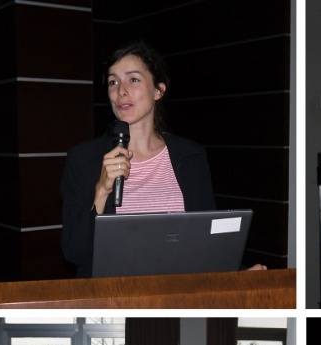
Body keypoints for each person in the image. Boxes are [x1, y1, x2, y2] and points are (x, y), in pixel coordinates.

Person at [61, 42, 267, 277]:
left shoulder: (190, 156)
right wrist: (101, 191)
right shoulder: (84, 159)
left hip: (178, 295)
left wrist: (238, 274)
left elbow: (204, 243)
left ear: (158, 90)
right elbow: (74, 252)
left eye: (134, 79)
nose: (121, 91)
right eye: (113, 82)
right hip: (113, 298)